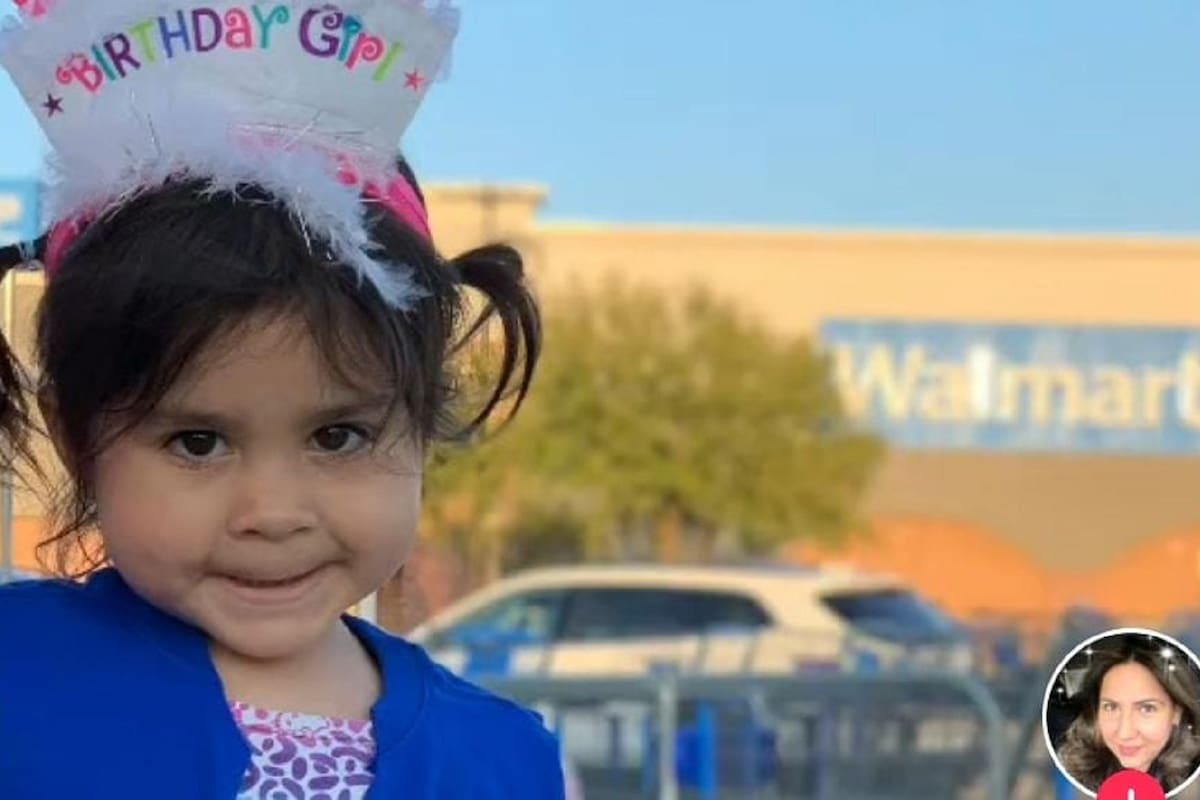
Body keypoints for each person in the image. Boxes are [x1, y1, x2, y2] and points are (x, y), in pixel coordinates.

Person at [0, 1, 565, 797]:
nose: (272, 511)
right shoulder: (15, 684)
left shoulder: (503, 760)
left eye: (338, 436)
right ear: (76, 436)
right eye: (199, 441)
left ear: (421, 418)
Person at [1057, 633, 1200, 793]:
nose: (1125, 733)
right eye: (1110, 707)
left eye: (1147, 708)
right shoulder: (1071, 775)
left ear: (1176, 713)